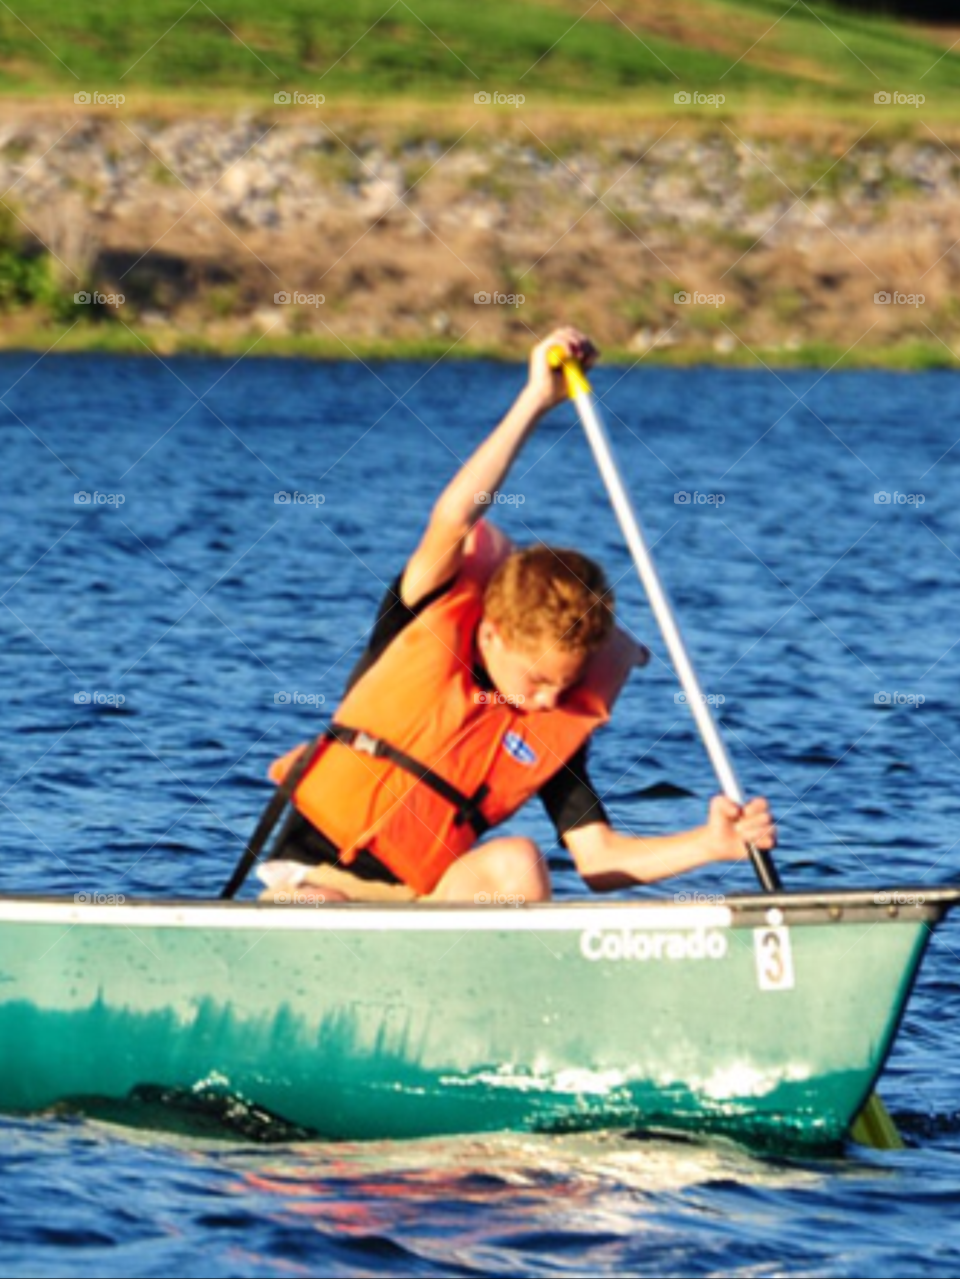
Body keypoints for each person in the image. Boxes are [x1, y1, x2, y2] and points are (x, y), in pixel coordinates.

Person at [260, 326, 776, 905]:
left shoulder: (548, 722)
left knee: (518, 861)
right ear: (494, 634)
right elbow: (455, 516)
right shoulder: (422, 616)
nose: (551, 702)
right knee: (322, 908)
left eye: (566, 684)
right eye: (539, 680)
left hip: (424, 911)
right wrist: (536, 400)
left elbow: (598, 860)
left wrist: (712, 844)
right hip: (315, 889)